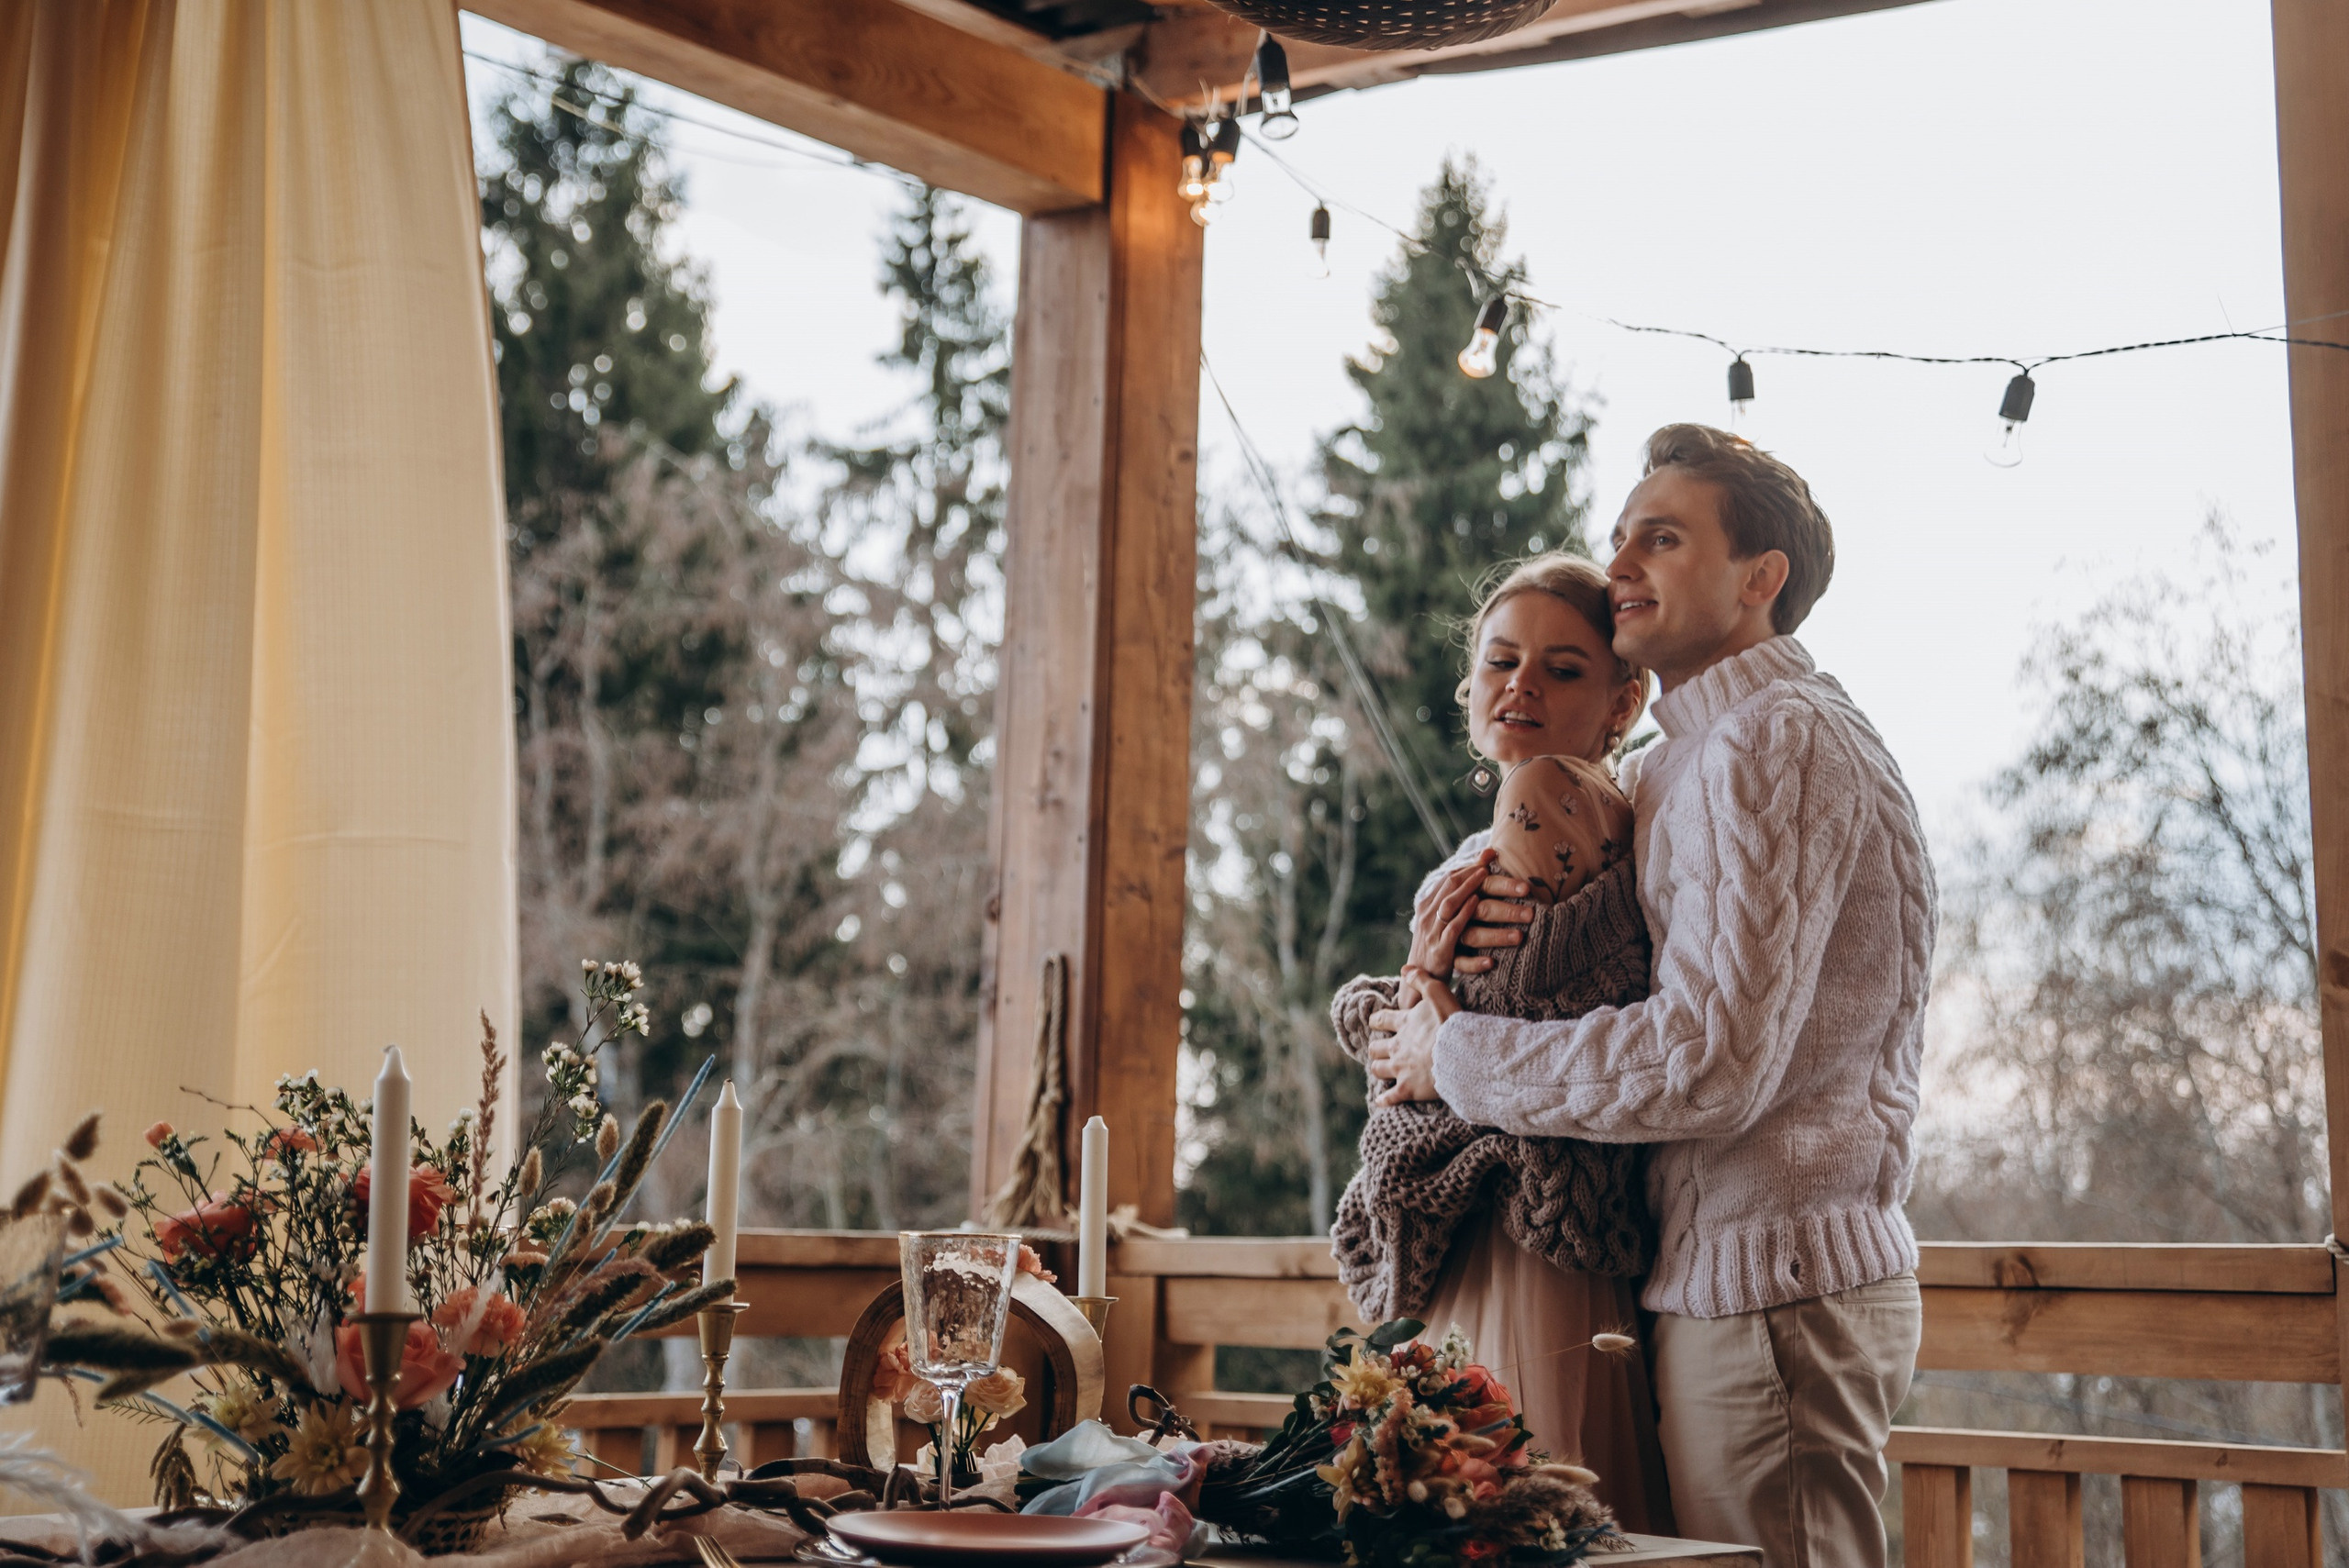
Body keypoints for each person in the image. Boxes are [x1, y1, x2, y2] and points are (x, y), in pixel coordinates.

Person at [1367, 424, 1934, 1568]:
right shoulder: (1688, 757)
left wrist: (1453, 1054)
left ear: (1759, 577)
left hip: (1772, 1279)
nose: (1620, 562)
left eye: (1662, 538)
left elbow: (1707, 1057)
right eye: (1620, 535)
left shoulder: (1768, 739)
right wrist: (1421, 985)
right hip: (1713, 1280)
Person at [1327, 554, 1675, 1533]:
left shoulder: (1554, 811)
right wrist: (1415, 993)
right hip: (1479, 1221)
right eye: (1500, 660)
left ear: (1623, 701)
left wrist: (1425, 989)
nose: (1521, 684)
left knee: (1509, 1506)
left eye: (1562, 668)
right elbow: (1424, 1045)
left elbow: (1486, 1022)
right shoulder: (1493, 844)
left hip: (1524, 1233)